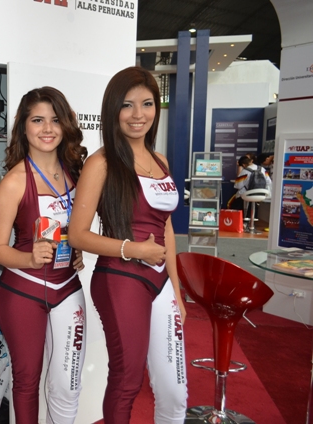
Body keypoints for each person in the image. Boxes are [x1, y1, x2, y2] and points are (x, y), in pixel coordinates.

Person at [68, 66, 187, 424]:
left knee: (175, 389)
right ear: (113, 110)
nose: (138, 115)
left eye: (147, 104)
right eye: (127, 105)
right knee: (128, 380)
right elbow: (77, 234)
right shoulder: (101, 163)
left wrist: (177, 292)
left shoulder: (160, 160)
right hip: (121, 280)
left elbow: (166, 230)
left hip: (161, 281)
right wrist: (134, 249)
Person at [0, 86, 87, 423]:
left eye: (55, 120)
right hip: (23, 292)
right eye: (37, 120)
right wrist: (30, 258)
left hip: (68, 286)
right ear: (23, 126)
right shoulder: (14, 182)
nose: (47, 128)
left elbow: (74, 229)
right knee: (27, 381)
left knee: (69, 383)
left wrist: (75, 250)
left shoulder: (75, 174)